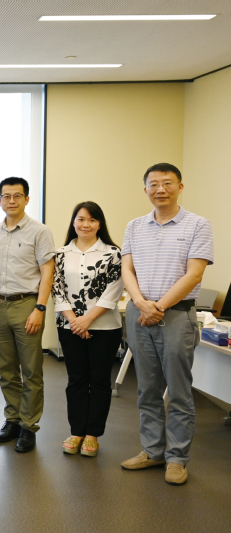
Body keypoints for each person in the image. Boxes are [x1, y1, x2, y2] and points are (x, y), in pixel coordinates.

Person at [120, 163, 213, 485]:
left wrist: (158, 306)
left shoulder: (198, 224)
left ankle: (177, 458)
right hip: (139, 313)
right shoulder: (135, 226)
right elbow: (127, 269)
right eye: (154, 184)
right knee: (146, 389)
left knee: (179, 391)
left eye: (168, 183)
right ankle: (153, 451)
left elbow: (194, 274)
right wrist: (141, 303)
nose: (160, 189)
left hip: (175, 316)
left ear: (180, 187)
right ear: (145, 188)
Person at [0, 176, 55, 453]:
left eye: (17, 196)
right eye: (6, 196)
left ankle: (29, 425)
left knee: (31, 370)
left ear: (26, 199)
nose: (11, 200)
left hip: (27, 305)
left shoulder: (40, 232)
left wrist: (40, 308)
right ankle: (12, 420)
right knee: (6, 369)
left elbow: (47, 273)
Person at [52, 202, 124, 457]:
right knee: (76, 380)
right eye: (81, 219)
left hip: (105, 327)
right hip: (69, 326)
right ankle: (76, 432)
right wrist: (75, 321)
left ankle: (93, 435)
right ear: (73, 222)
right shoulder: (61, 253)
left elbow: (114, 290)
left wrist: (87, 320)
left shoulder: (113, 253)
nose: (86, 224)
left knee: (100, 380)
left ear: (100, 224)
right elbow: (56, 289)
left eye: (92, 220)